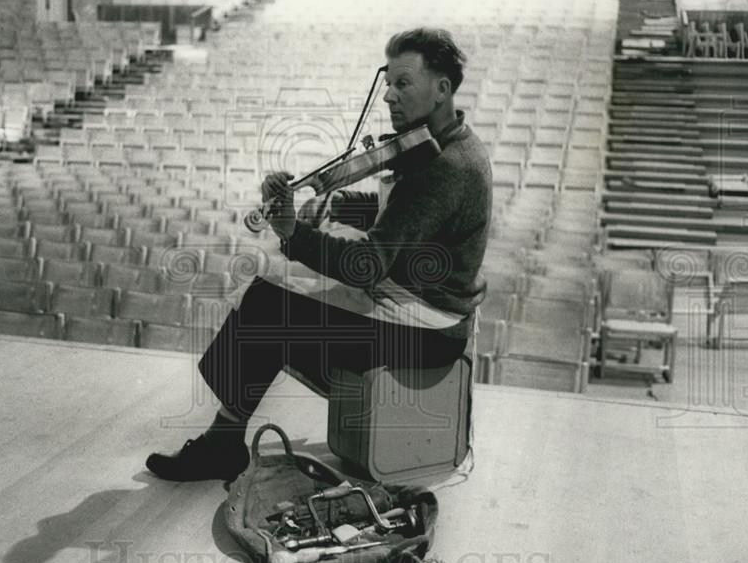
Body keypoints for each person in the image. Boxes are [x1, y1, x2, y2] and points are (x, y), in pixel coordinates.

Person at [146, 27, 492, 482]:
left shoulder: (445, 167)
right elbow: (400, 214)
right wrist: (331, 204)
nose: (388, 95)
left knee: (269, 305)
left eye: (403, 83)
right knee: (273, 292)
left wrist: (292, 231)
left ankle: (223, 442)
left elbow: (366, 264)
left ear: (442, 87)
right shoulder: (442, 144)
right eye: (387, 82)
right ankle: (224, 437)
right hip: (414, 306)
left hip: (427, 331)